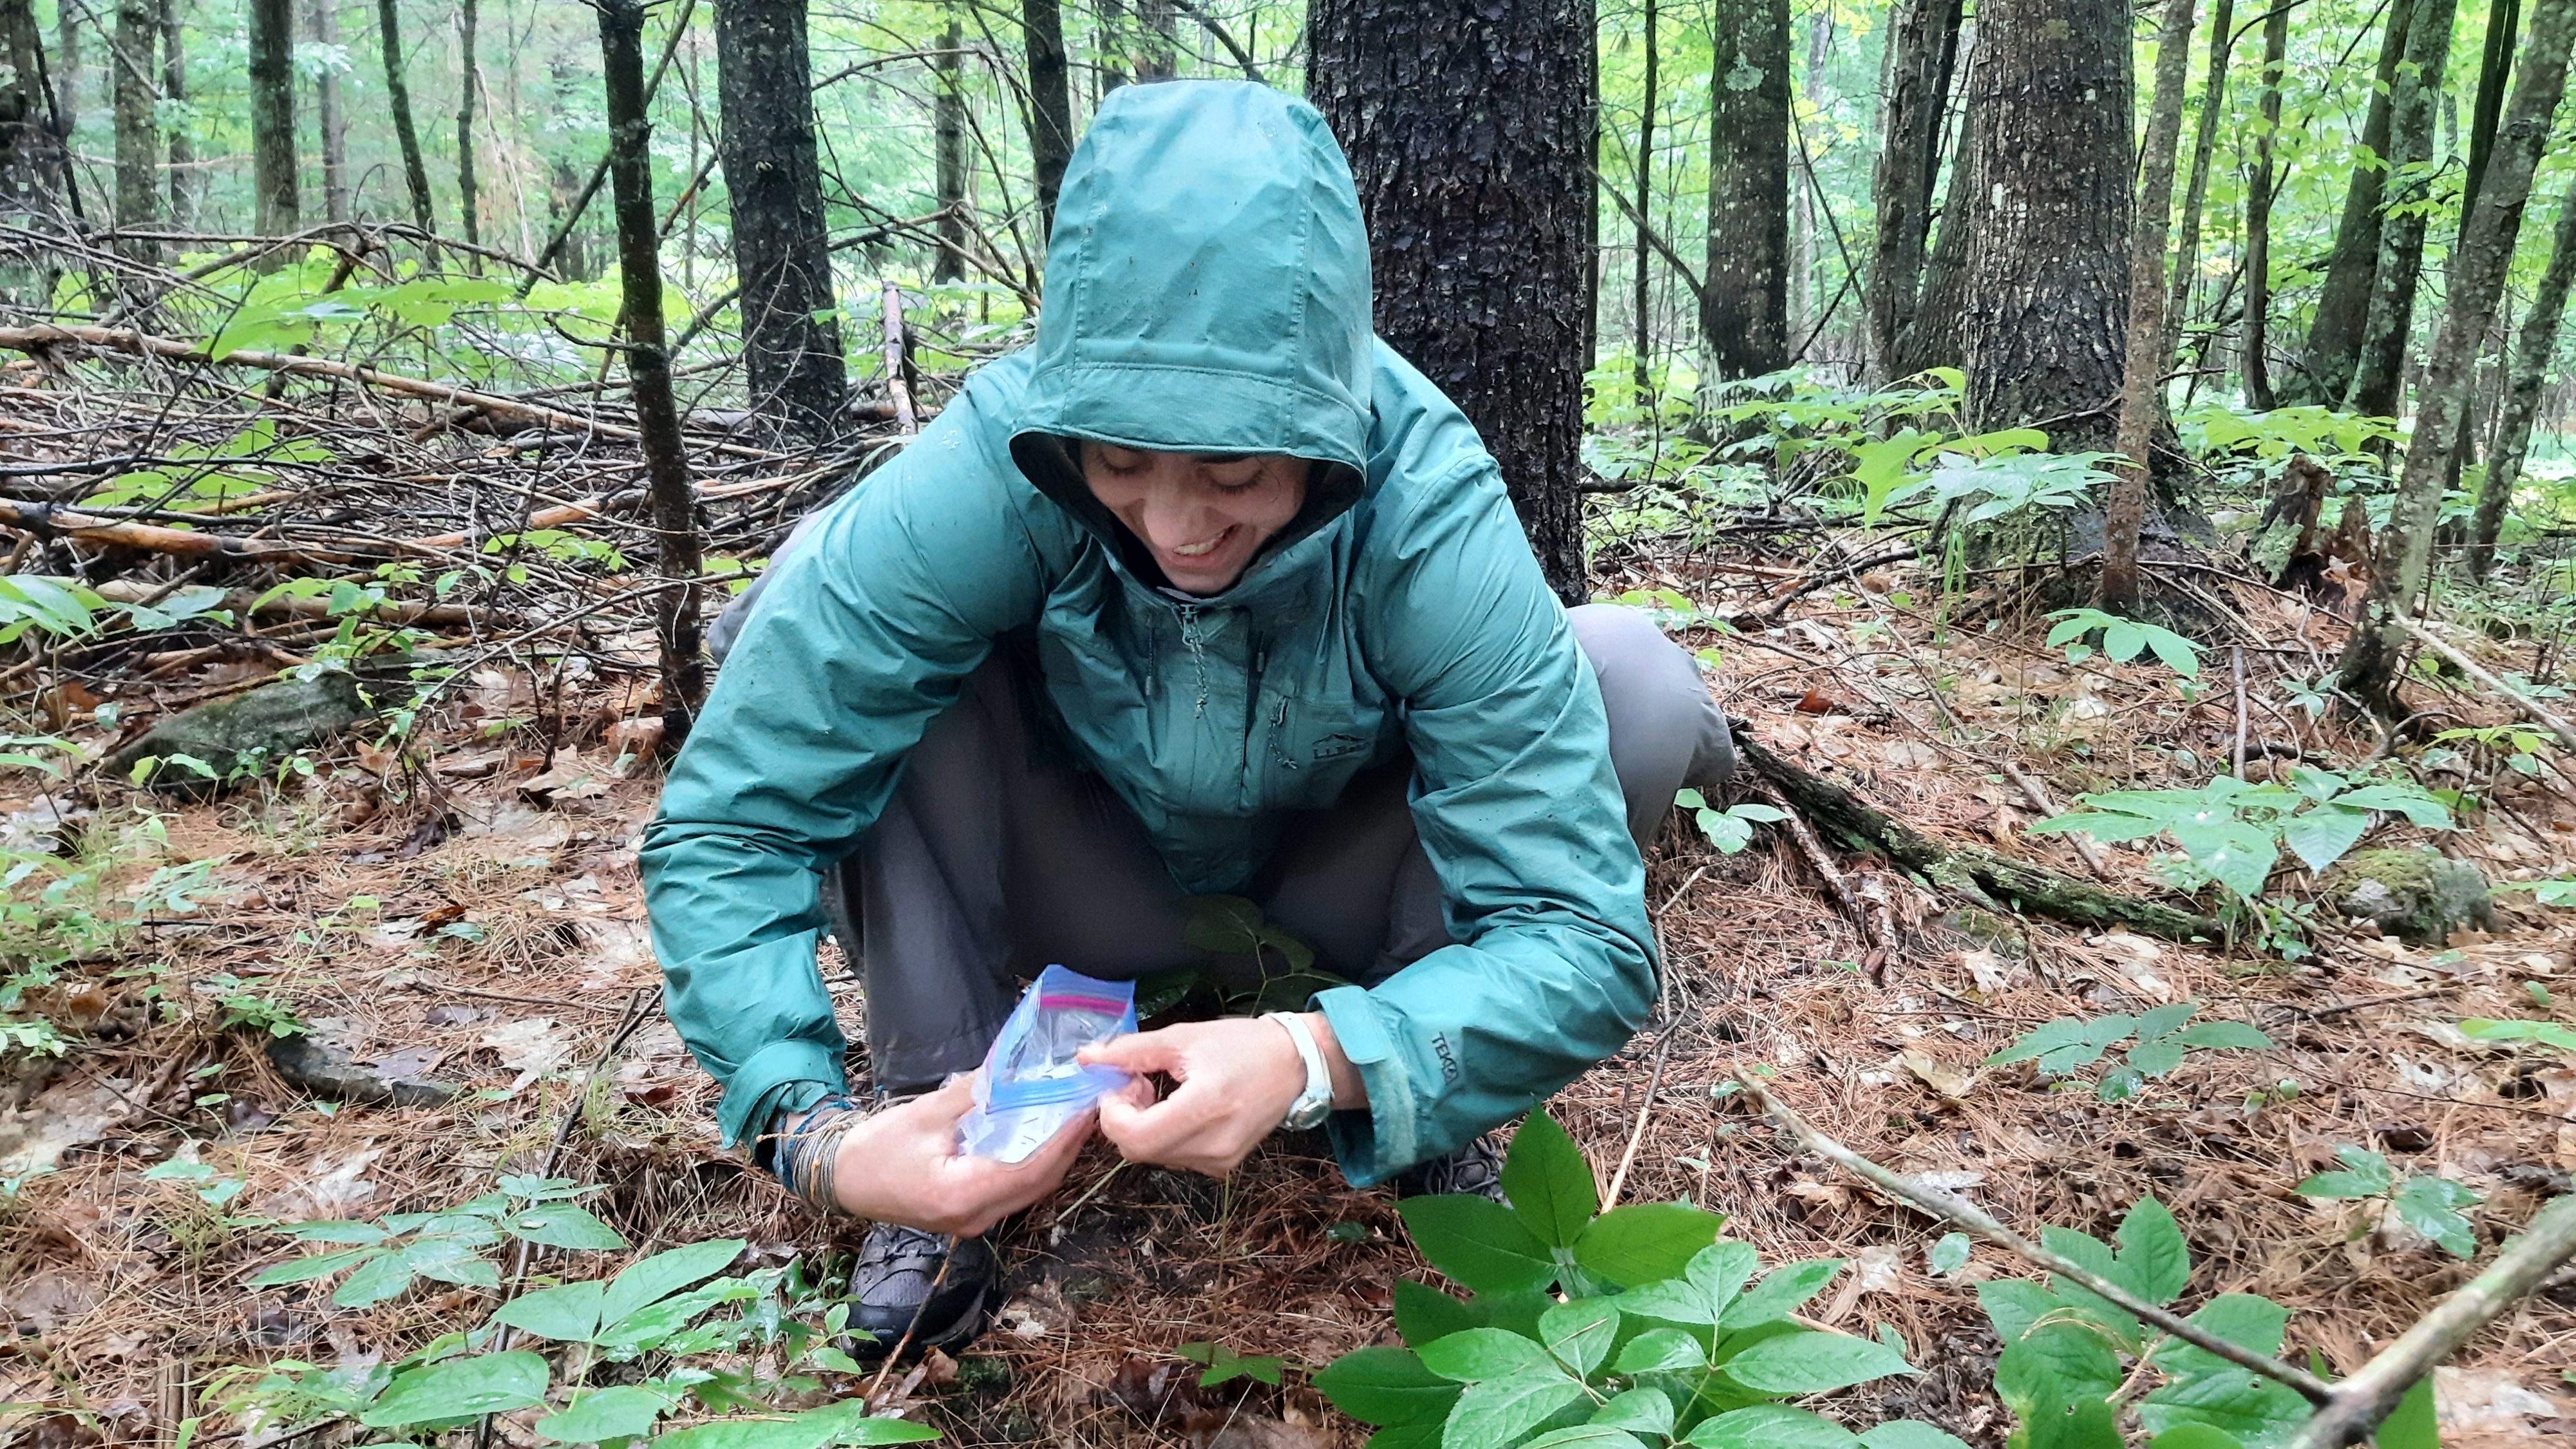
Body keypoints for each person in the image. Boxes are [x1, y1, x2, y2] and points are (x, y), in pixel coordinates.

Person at [639, 79, 1734, 1356]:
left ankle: (1424, 1081)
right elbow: (730, 822)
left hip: (1346, 914)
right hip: (1081, 891)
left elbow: (1580, 938)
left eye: (1235, 473)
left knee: (1632, 678)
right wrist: (811, 1136)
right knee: (816, 590)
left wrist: (1319, 1056)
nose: (1176, 526)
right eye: (1117, 468)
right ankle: (937, 1117)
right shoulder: (995, 463)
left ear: (1329, 431)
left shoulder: (1423, 501)